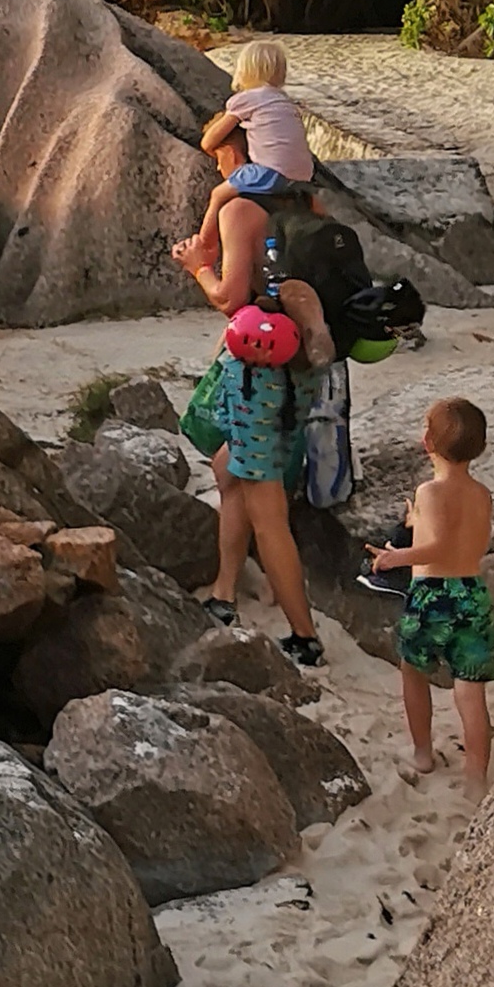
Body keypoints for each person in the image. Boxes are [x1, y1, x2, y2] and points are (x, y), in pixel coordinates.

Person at [170, 138, 329, 668]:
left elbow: (230, 299)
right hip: (301, 370)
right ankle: (223, 593)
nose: (216, 162)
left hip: (261, 374)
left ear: (239, 154)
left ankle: (304, 637)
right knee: (229, 469)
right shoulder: (308, 205)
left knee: (267, 511)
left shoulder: (242, 209)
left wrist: (197, 265)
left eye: (219, 152)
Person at [371, 398, 494, 798]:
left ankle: (423, 753)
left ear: (428, 441)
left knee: (413, 671)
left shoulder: (430, 490)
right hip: (471, 592)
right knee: (470, 688)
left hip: (433, 594)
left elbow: (439, 547)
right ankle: (476, 777)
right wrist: (417, 522)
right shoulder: (481, 494)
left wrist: (397, 557)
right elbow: (468, 542)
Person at [189, 38, 315, 267]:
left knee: (218, 195)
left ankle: (205, 245)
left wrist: (210, 145)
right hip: (303, 174)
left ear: (244, 71)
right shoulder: (285, 102)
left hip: (271, 171)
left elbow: (209, 142)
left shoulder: (247, 99)